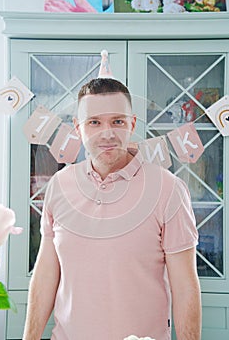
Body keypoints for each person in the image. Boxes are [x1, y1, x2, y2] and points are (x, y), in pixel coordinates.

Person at [23, 77, 201, 340]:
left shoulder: (168, 189)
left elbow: (185, 287)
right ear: (77, 128)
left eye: (117, 121)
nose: (107, 133)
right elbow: (46, 273)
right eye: (94, 122)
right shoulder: (59, 185)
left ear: (132, 124)